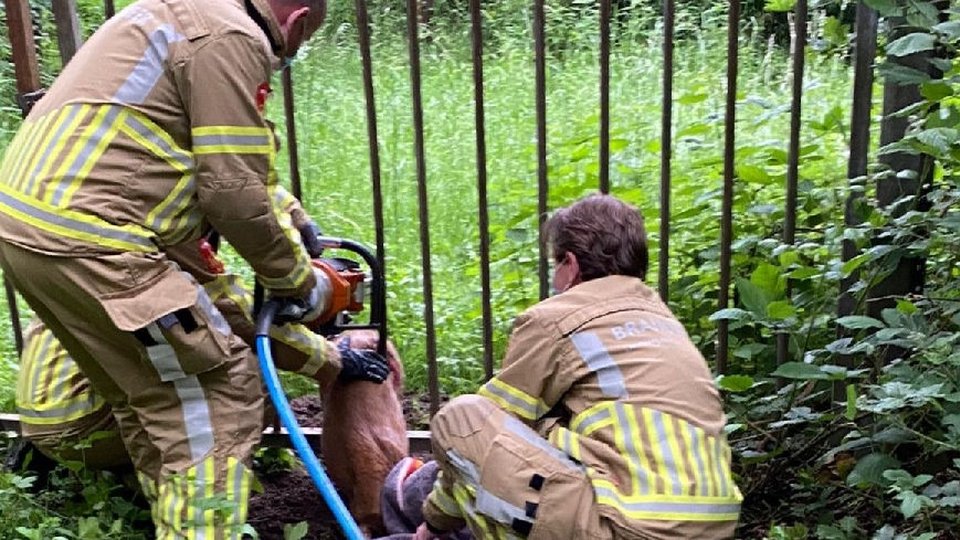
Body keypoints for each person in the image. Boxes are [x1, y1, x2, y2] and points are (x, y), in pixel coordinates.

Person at [0, 0, 389, 536]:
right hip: (101, 239)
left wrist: (294, 225)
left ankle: (173, 519)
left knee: (154, 402)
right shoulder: (235, 37)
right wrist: (303, 285)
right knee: (220, 394)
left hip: (31, 231)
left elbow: (217, 282)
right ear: (296, 22)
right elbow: (234, 190)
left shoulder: (175, 14)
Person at [414, 194, 742, 540]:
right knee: (552, 423)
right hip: (712, 527)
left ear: (570, 264)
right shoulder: (663, 319)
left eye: (556, 266)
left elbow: (485, 441)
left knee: (462, 419)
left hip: (631, 526)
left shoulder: (556, 318)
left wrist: (433, 522)